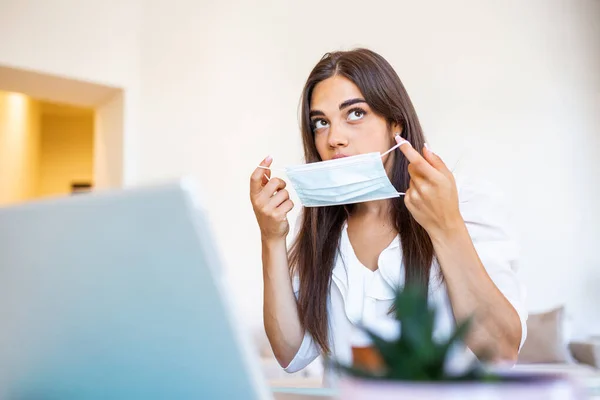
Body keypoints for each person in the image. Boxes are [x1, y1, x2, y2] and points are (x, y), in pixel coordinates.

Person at [249, 48, 527, 382]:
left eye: (355, 114)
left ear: (395, 122)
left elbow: (500, 352)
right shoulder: (323, 228)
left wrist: (447, 227)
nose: (334, 138)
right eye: (320, 122)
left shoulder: (466, 204)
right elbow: (290, 354)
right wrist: (271, 239)